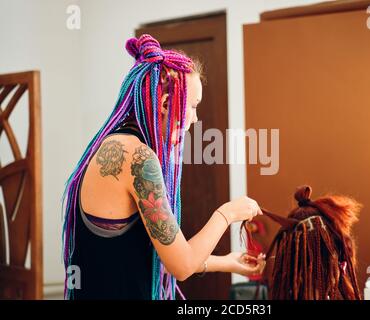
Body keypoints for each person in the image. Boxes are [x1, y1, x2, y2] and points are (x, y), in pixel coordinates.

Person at [62, 34, 265, 300]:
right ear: (166, 104)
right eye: (192, 107)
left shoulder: (118, 144)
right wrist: (227, 213)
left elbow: (164, 257)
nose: (194, 119)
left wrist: (225, 262)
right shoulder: (136, 157)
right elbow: (181, 266)